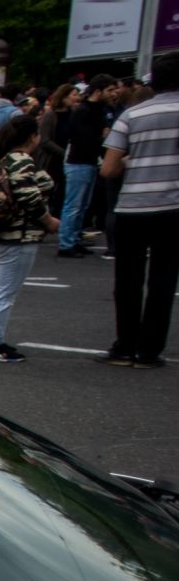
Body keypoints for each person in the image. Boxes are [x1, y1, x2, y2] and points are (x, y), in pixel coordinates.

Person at [99, 54, 179, 368]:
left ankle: (124, 346)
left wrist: (136, 162)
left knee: (127, 279)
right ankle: (149, 351)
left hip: (131, 206)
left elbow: (108, 169)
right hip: (172, 207)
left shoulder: (131, 115)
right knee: (163, 280)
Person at [0, 114, 57, 364]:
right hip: (17, 235)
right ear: (32, 136)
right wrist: (49, 220)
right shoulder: (21, 162)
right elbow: (29, 197)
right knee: (3, 294)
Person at [57, 74, 111, 258]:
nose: (114, 94)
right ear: (98, 91)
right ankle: (66, 243)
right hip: (78, 162)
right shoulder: (84, 111)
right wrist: (101, 137)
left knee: (81, 206)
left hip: (87, 161)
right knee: (74, 205)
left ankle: (73, 239)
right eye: (110, 90)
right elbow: (81, 137)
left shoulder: (96, 110)